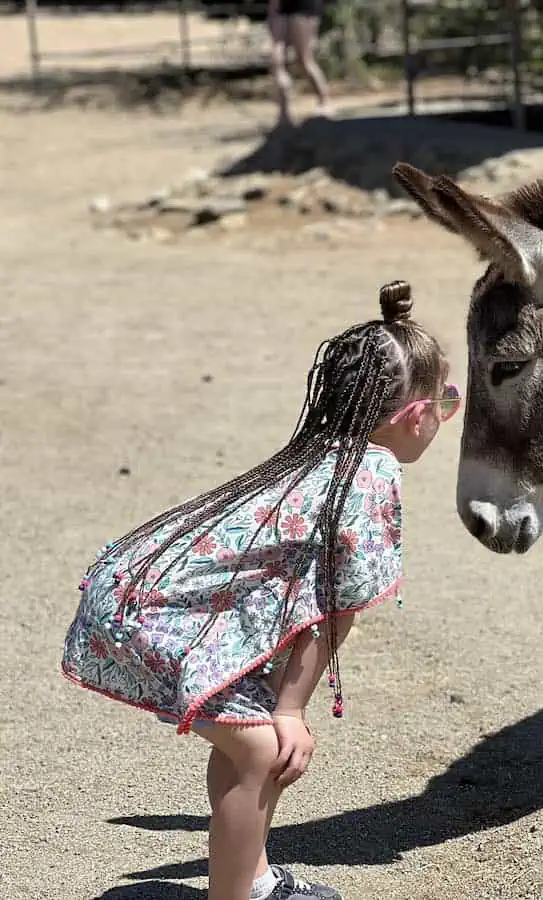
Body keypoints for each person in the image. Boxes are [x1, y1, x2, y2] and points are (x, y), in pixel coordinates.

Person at [61, 281, 458, 900]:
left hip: (130, 594)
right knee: (263, 751)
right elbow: (334, 609)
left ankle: (254, 882)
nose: (446, 414)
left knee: (253, 743)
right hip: (152, 616)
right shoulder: (370, 476)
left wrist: (281, 704)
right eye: (447, 400)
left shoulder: (328, 450)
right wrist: (291, 710)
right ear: (415, 415)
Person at [267, 0, 334, 127]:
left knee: (304, 60)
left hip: (303, 8)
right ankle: (284, 113)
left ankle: (324, 101)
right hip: (281, 7)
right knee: (277, 60)